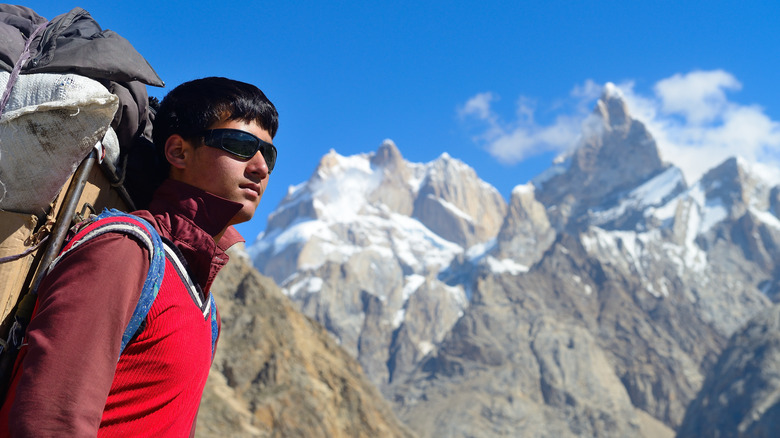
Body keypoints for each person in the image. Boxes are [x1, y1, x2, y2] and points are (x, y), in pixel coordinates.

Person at [0, 77, 278, 436]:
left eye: (268, 154)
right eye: (240, 145)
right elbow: (49, 420)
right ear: (178, 152)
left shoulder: (206, 308)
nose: (260, 167)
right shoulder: (124, 252)